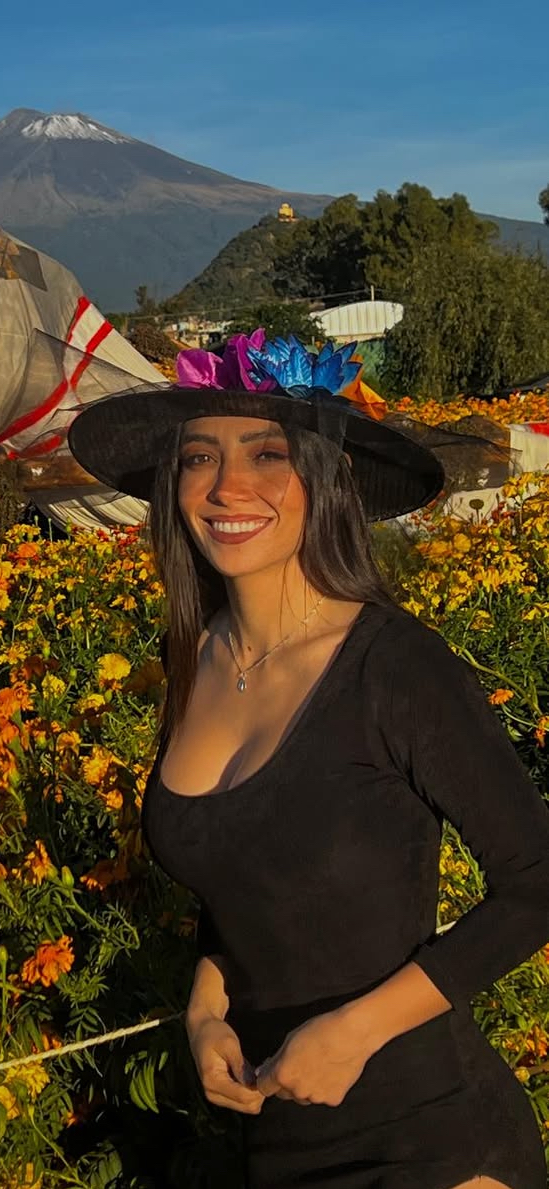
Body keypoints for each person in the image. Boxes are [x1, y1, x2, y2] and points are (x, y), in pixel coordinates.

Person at [68, 331, 549, 1189]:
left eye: (268, 454)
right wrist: (205, 1007)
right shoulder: (193, 660)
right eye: (199, 456)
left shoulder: (392, 666)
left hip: (432, 1140)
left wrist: (356, 1031)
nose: (228, 486)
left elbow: (536, 883)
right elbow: (244, 881)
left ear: (327, 478)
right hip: (274, 1140)